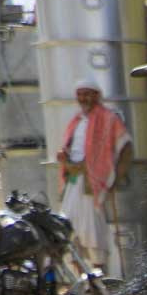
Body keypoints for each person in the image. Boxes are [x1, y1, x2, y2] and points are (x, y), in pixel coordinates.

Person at [56, 78, 131, 276]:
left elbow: (125, 146)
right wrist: (64, 156)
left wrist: (115, 178)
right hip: (73, 180)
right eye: (80, 94)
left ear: (96, 96)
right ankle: (80, 275)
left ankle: (100, 273)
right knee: (68, 225)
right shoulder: (75, 121)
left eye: (87, 94)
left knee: (92, 227)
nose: (83, 98)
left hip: (93, 182)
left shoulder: (108, 119)